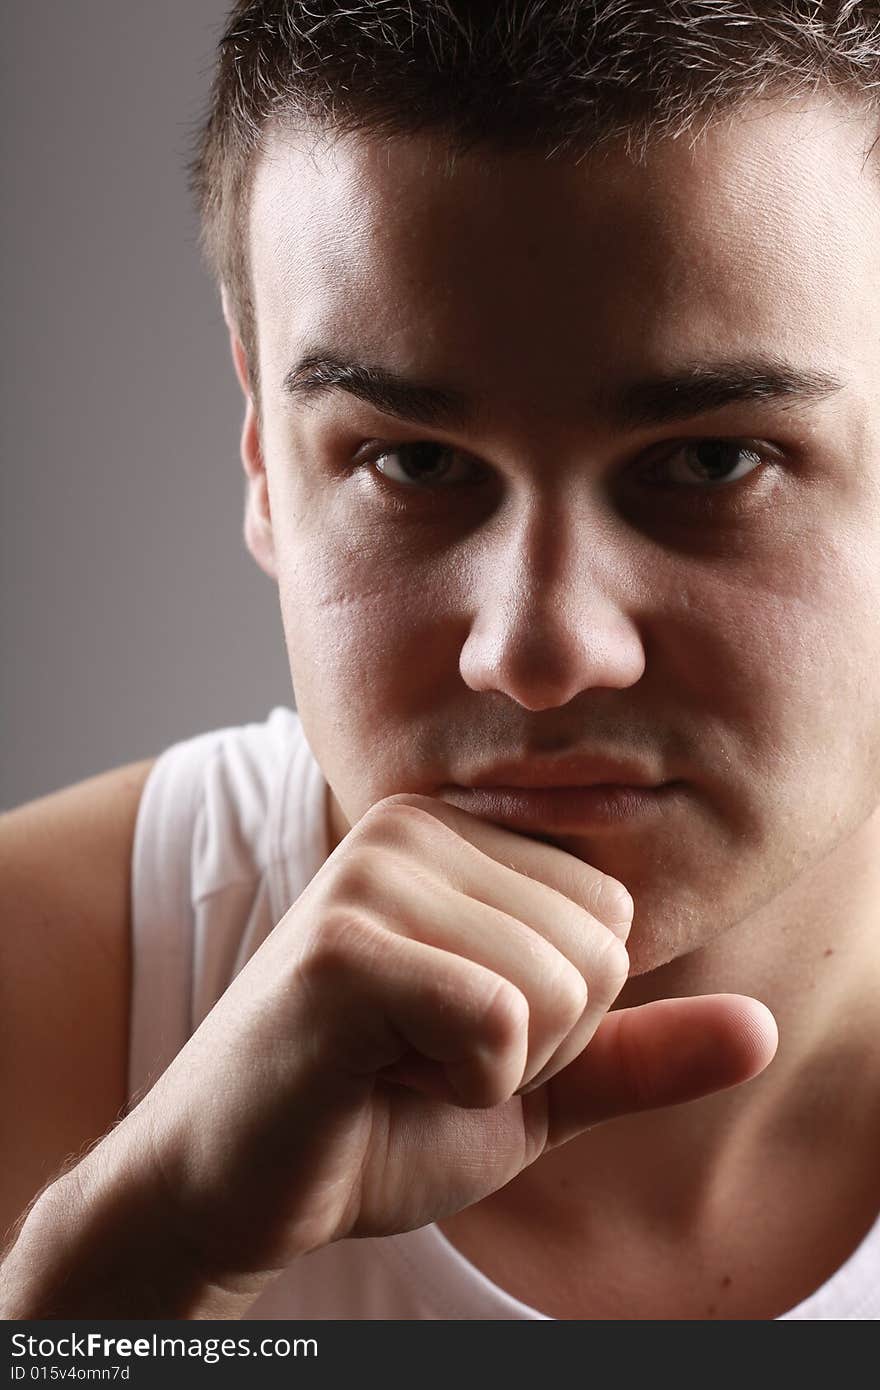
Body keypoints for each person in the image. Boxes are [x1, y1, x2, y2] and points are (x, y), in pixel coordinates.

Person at [1, 0, 879, 1321]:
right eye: (413, 461)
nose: (539, 650)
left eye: (709, 459)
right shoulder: (34, 986)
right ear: (261, 460)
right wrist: (135, 1267)